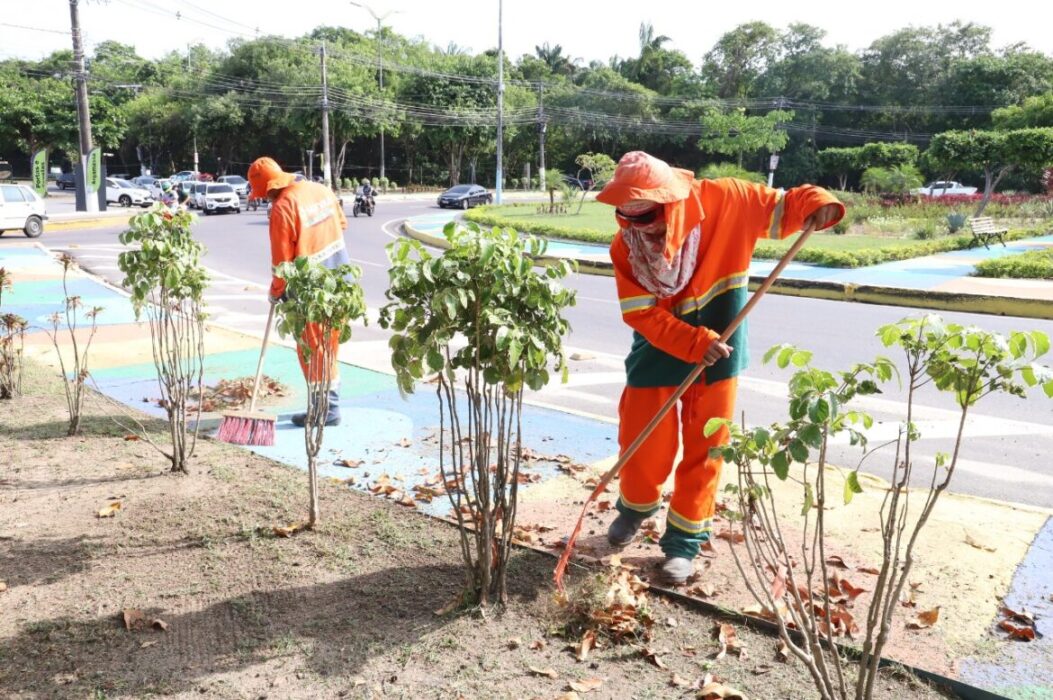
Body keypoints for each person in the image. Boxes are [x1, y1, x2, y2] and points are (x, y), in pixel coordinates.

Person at [597, 151, 843, 584]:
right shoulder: (626, 248)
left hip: (720, 356)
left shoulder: (728, 200)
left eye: (648, 215)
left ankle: (682, 544)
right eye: (628, 216)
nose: (640, 227)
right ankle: (634, 509)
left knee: (706, 447)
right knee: (642, 441)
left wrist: (817, 203)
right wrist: (693, 342)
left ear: (671, 199)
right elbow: (640, 313)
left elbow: (785, 205)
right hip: (658, 352)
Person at [247, 156, 351, 427]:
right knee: (329, 344)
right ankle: (327, 406)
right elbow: (341, 224)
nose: (265, 199)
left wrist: (276, 291)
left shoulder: (282, 207)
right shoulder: (320, 189)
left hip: (310, 289)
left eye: (263, 194)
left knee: (312, 349)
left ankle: (327, 411)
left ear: (268, 189)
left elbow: (281, 262)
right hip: (341, 280)